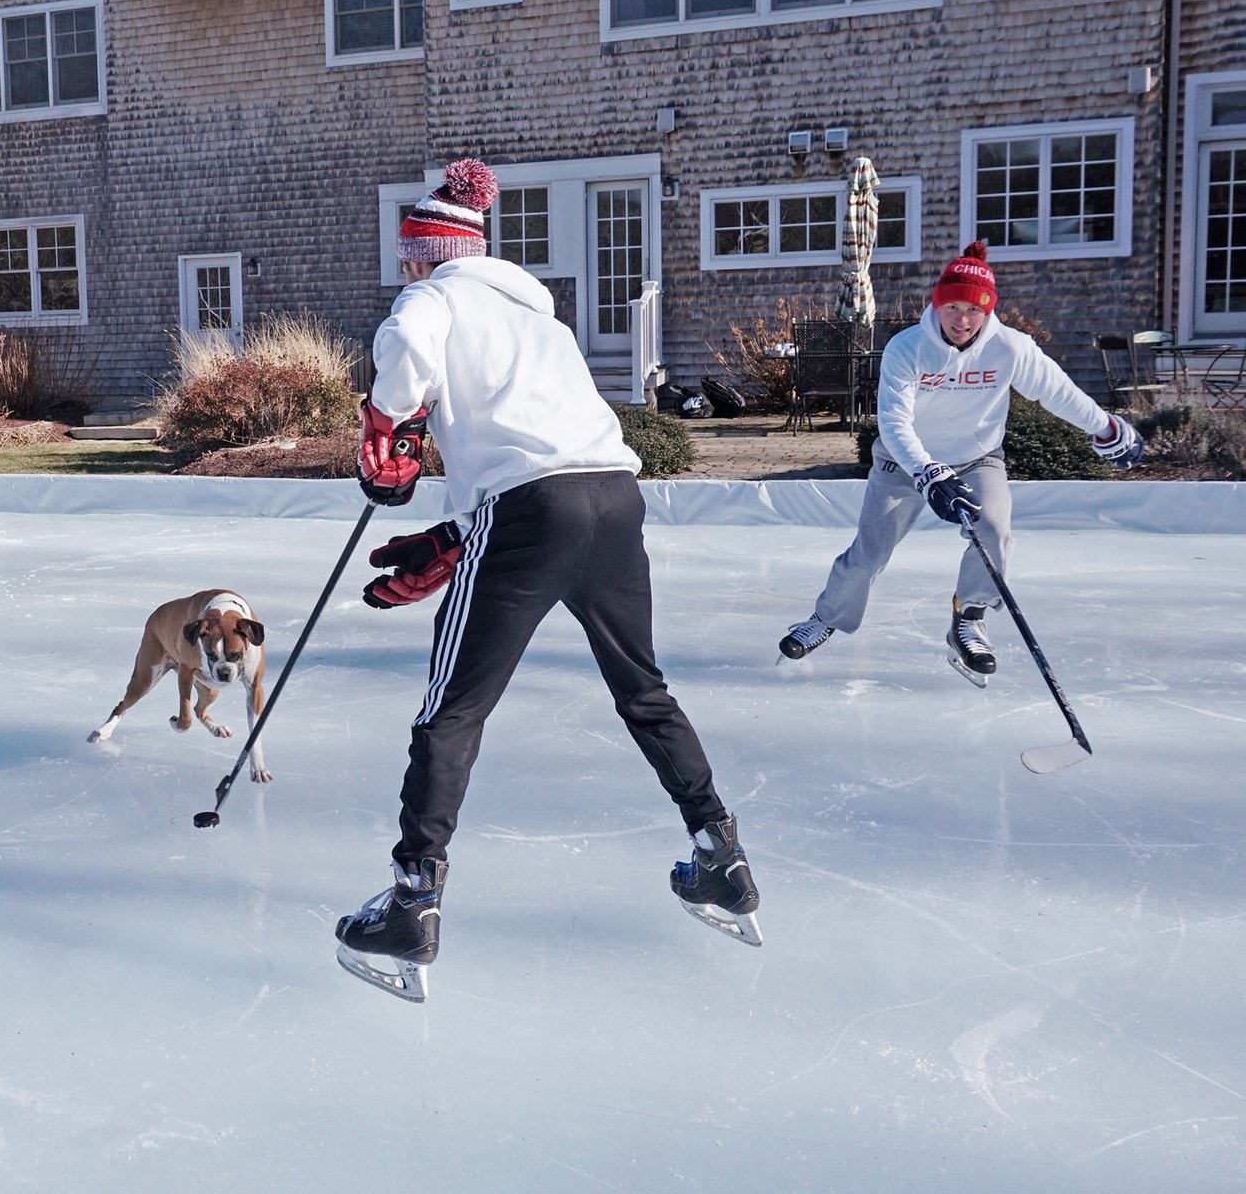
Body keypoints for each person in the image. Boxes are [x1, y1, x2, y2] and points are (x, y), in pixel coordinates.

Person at [333, 160, 761, 1001]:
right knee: (644, 691)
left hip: (530, 513)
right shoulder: (542, 320)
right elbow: (546, 443)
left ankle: (412, 901)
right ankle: (721, 855)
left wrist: (389, 422)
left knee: (451, 709)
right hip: (613, 499)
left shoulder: (431, 300)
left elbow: (414, 363)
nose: (404, 270)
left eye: (406, 257)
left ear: (425, 252)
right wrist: (461, 529)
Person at [777, 241, 1143, 683]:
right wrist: (928, 472)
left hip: (977, 459)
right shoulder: (907, 347)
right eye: (951, 306)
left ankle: (968, 618)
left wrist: (1104, 427)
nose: (961, 319)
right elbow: (893, 421)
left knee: (994, 530)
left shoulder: (1011, 348)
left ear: (988, 311)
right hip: (904, 463)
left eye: (973, 309)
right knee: (871, 551)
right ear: (937, 304)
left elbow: (1055, 392)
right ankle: (827, 618)